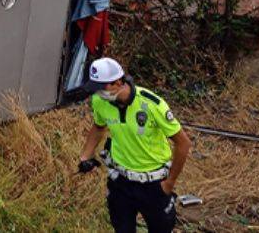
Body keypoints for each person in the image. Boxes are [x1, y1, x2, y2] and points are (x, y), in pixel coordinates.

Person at [78, 57, 192, 233]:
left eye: (101, 88)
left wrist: (169, 183)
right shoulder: (99, 101)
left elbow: (183, 143)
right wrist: (85, 156)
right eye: (95, 88)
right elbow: (99, 127)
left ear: (118, 82)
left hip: (154, 184)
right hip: (120, 181)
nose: (98, 93)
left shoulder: (151, 104)